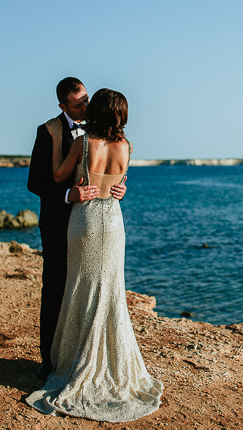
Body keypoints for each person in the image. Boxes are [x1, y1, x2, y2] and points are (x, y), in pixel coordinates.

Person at [26, 89, 163, 422]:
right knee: (111, 292)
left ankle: (73, 361)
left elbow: (58, 176)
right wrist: (119, 186)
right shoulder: (127, 147)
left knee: (81, 289)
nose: (84, 107)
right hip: (114, 223)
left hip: (85, 219)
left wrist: (65, 152)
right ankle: (112, 363)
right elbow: (119, 182)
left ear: (97, 110)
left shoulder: (83, 143)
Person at [27, 77, 126, 380]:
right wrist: (70, 195)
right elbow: (36, 181)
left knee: (88, 289)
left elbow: (114, 174)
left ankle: (82, 358)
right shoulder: (48, 131)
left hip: (92, 224)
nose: (85, 106)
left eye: (86, 100)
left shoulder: (98, 134)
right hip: (59, 223)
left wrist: (119, 188)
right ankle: (49, 359)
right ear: (62, 106)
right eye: (78, 104)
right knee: (56, 288)